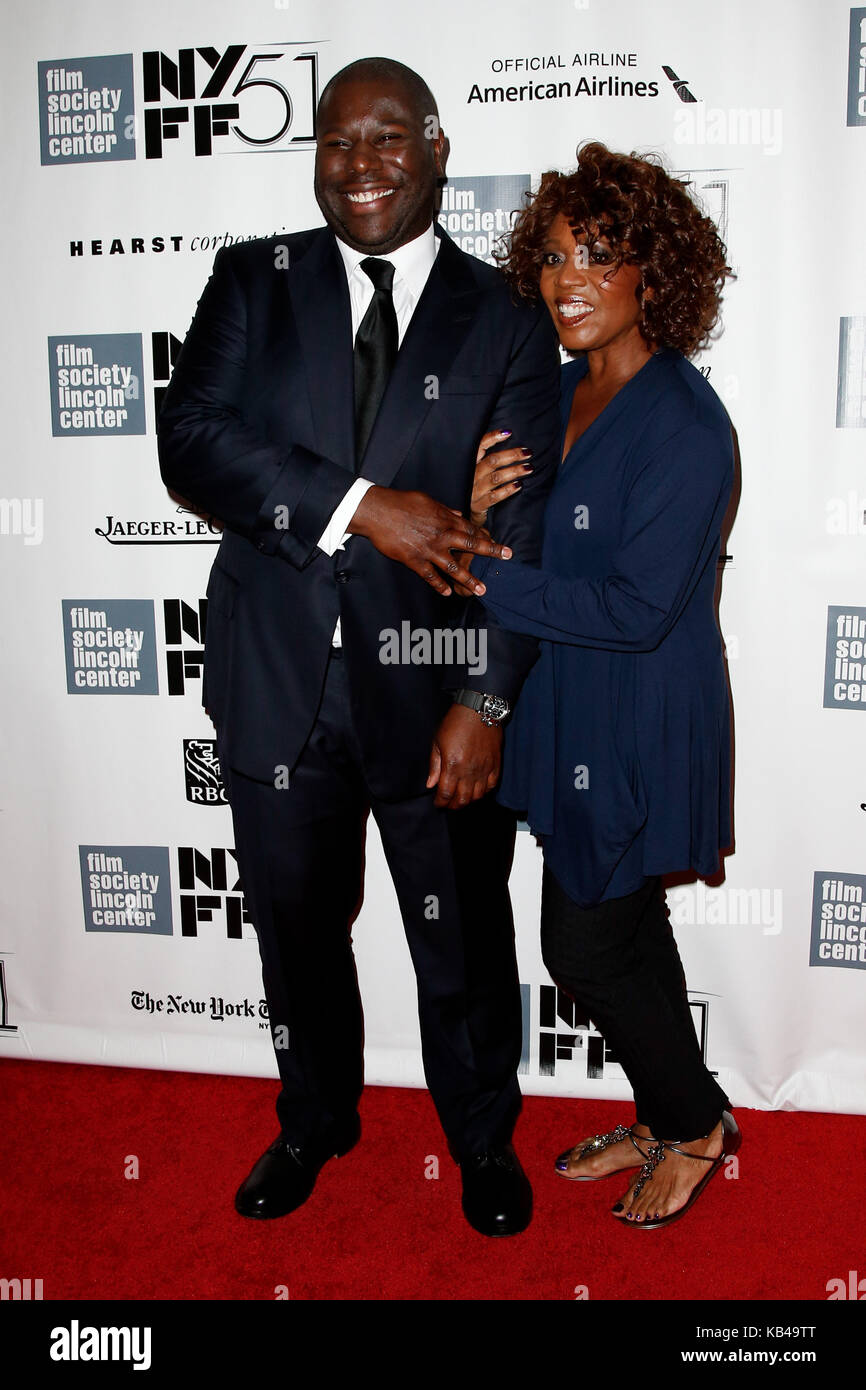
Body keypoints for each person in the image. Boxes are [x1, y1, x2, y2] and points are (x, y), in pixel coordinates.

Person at [157, 57, 561, 1237]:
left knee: (464, 937)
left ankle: (482, 1137)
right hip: (277, 681)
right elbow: (190, 443)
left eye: (388, 137)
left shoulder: (505, 321)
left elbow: (522, 530)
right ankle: (312, 1117)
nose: (361, 162)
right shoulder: (253, 280)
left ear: (437, 147)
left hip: (434, 686)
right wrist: (362, 503)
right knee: (293, 928)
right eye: (336, 142)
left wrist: (485, 701)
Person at [464, 142, 740, 1229]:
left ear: (650, 274)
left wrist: (484, 579)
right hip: (566, 701)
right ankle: (666, 1107)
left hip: (633, 715)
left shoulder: (685, 424)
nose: (566, 278)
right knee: (619, 929)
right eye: (553, 254)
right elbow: (540, 551)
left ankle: (695, 1126)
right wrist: (480, 507)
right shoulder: (562, 387)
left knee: (579, 942)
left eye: (599, 254)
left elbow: (632, 608)